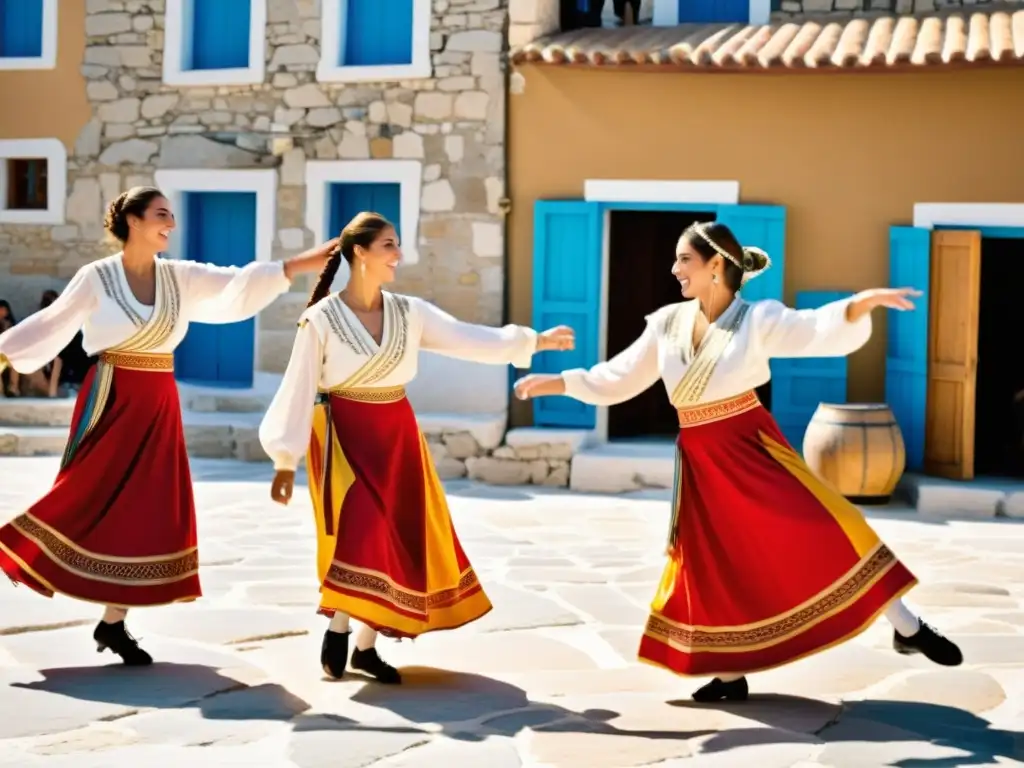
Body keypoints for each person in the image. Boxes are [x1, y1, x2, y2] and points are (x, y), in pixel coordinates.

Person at [514, 221, 963, 702]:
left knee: (829, 524)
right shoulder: (666, 322)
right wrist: (560, 382)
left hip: (751, 445)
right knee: (711, 562)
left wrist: (857, 306)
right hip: (701, 459)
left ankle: (906, 625)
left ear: (714, 266)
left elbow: (812, 329)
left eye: (684, 260)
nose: (674, 269)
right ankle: (729, 673)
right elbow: (620, 377)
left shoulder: (758, 318)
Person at [0, 186, 337, 666]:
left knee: (153, 507)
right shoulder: (96, 277)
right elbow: (53, 322)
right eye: (161, 215)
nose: (171, 224)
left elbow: (237, 283)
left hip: (158, 402)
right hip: (112, 396)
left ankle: (114, 622)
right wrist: (3, 354)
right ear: (133, 221)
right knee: (86, 493)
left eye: (172, 216)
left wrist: (305, 262)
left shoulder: (179, 277)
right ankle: (16, 549)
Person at [259, 211, 575, 684]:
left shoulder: (410, 312)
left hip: (398, 434)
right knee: (363, 529)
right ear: (360, 253)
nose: (398, 255)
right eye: (389, 245)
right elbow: (298, 387)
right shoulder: (320, 318)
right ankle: (340, 624)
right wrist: (285, 460)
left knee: (400, 536)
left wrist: (534, 341)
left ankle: (364, 646)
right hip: (345, 434)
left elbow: (469, 338)